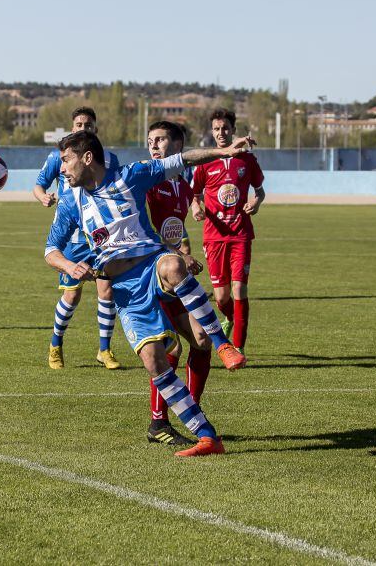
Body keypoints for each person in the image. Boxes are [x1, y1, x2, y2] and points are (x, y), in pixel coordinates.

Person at [45, 130, 250, 457]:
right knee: (155, 363)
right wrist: (70, 267)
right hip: (125, 290)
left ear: (87, 158)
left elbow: (183, 159)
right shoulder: (72, 202)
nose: (62, 169)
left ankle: (223, 344)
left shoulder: (131, 176)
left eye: (66, 161)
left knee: (173, 269)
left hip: (152, 264)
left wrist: (224, 152)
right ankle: (207, 437)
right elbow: (51, 249)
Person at [33, 107, 121, 370]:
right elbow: (38, 186)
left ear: (95, 129)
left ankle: (104, 350)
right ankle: (55, 344)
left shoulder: (110, 159)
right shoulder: (57, 158)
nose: (83, 128)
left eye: (88, 125)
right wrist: (44, 198)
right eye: (79, 124)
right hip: (72, 238)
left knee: (106, 291)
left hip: (102, 237)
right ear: (72, 128)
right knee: (72, 297)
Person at [144, 120, 213, 447]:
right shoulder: (144, 182)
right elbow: (142, 233)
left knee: (202, 341)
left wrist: (185, 251)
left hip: (172, 275)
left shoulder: (181, 187)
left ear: (177, 146)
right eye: (150, 140)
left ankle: (192, 410)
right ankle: (159, 422)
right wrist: (176, 255)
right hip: (147, 277)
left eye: (159, 140)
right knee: (169, 345)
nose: (153, 145)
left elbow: (174, 229)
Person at [190, 108, 265, 352]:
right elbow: (194, 194)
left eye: (225, 128)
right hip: (213, 236)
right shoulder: (205, 161)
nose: (221, 133)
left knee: (239, 289)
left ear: (233, 130)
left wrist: (255, 202)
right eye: (216, 129)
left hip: (240, 234)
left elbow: (260, 191)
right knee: (221, 298)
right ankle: (231, 317)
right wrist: (196, 207)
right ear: (212, 132)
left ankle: (239, 347)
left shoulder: (247, 160)